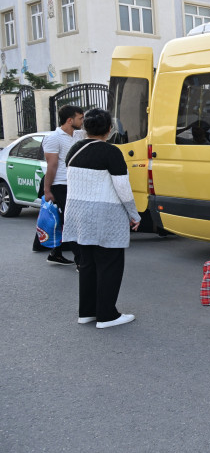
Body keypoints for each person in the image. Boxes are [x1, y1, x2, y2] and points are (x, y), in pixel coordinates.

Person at [62, 108, 141, 329]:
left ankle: (87, 312)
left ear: (85, 127)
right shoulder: (111, 152)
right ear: (109, 129)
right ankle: (107, 315)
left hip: (77, 215)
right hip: (104, 215)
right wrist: (134, 215)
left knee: (87, 264)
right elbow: (122, 188)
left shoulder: (74, 149)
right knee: (109, 264)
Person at [41, 105, 84, 266]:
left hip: (76, 184)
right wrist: (47, 190)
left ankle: (55, 253)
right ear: (69, 120)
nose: (83, 121)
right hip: (61, 184)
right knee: (71, 221)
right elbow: (51, 166)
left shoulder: (79, 134)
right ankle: (81, 261)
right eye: (80, 118)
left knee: (63, 219)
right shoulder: (54, 138)